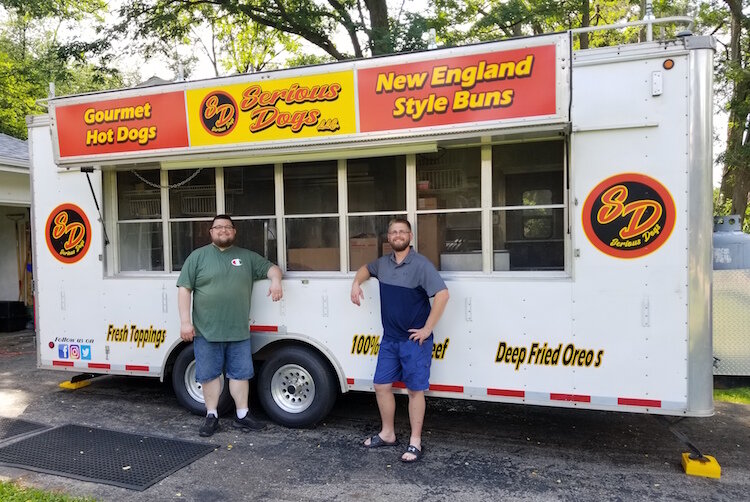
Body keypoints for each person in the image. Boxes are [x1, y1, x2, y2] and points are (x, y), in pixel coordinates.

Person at [350, 218, 449, 462]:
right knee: (381, 386)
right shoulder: (383, 264)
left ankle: (415, 441)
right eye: (393, 232)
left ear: (410, 236)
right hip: (390, 340)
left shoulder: (421, 265)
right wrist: (355, 283)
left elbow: (443, 295)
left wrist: (427, 328)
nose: (397, 235)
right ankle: (387, 434)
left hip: (414, 341)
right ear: (388, 238)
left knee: (415, 390)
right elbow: (366, 269)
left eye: (402, 232)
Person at [177, 214, 283, 437]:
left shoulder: (247, 257)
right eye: (218, 227)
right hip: (206, 331)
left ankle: (242, 415)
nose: (223, 230)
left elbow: (273, 269)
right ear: (211, 232)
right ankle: (211, 415)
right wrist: (185, 322)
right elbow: (184, 289)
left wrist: (276, 281)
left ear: (234, 232)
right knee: (209, 375)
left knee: (240, 374)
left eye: (227, 227)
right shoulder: (197, 257)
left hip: (238, 331)